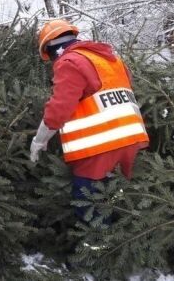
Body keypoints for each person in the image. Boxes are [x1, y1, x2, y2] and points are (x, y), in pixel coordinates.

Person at [30, 19, 150, 222]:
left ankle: (99, 241)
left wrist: (40, 140)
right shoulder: (111, 60)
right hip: (131, 139)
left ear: (51, 48)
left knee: (90, 204)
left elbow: (59, 108)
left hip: (100, 146)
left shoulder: (69, 62)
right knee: (114, 196)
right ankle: (120, 233)